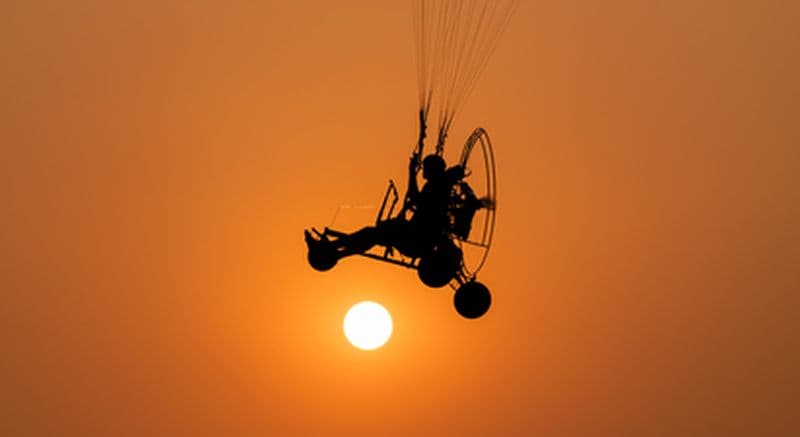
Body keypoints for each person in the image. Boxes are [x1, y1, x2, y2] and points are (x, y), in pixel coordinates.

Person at [304, 154, 474, 261]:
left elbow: (414, 198)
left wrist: (410, 172)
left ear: (432, 170)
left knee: (371, 234)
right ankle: (334, 252)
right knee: (372, 235)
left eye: (425, 168)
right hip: (416, 238)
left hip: (417, 241)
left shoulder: (435, 188)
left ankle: (330, 250)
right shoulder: (439, 186)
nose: (423, 172)